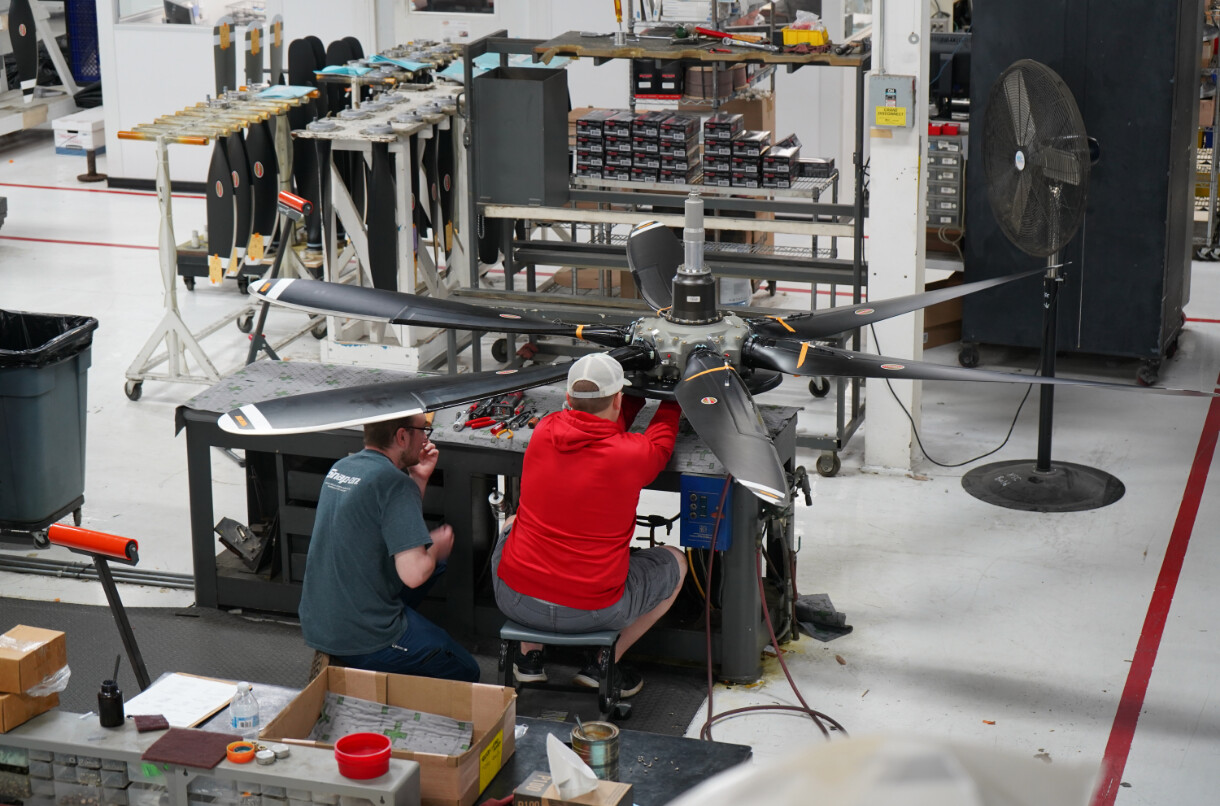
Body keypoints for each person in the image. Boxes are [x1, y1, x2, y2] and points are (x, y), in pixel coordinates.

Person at [493, 353, 688, 697]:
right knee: (677, 560)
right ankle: (603, 663)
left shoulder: (544, 430)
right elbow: (661, 435)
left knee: (512, 524)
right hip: (595, 612)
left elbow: (594, 424)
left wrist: (631, 397)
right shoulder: (634, 454)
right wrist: (672, 394)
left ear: (567, 399)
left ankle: (529, 660)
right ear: (617, 398)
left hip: (515, 599)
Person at [298, 413, 481, 683]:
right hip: (362, 634)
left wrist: (418, 479)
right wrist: (438, 547)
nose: (425, 438)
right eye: (423, 431)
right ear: (402, 436)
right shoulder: (394, 483)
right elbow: (414, 574)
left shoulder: (342, 467)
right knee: (467, 670)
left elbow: (398, 528)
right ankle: (386, 658)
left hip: (319, 622)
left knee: (433, 563)